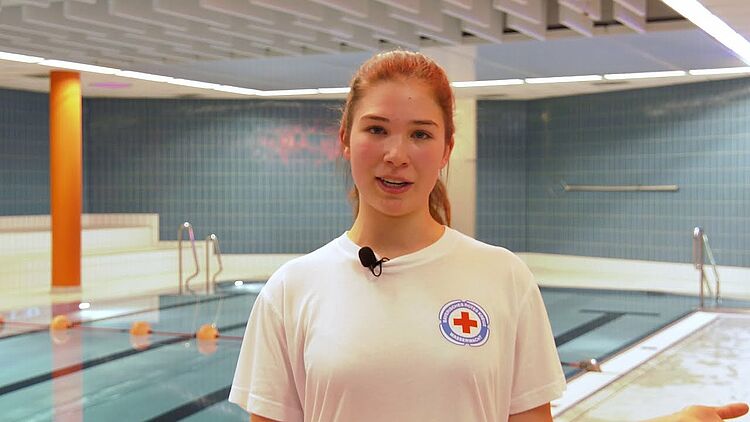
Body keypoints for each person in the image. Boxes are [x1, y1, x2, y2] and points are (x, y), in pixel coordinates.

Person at [229, 50, 749, 422]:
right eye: (377, 129)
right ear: (345, 139)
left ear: (446, 149)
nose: (396, 154)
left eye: (420, 134)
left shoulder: (502, 276)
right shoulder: (292, 290)